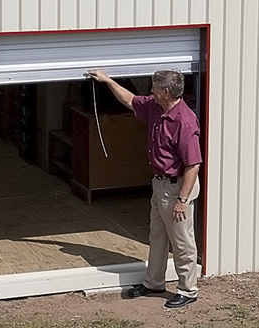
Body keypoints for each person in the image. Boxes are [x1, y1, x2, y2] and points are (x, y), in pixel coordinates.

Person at [87, 68, 202, 309]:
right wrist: (107, 80)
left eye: (155, 88)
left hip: (177, 187)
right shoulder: (155, 106)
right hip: (160, 185)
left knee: (181, 241)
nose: (151, 91)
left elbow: (193, 165)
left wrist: (182, 199)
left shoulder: (184, 121)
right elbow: (129, 99)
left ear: (166, 91)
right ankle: (153, 283)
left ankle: (188, 289)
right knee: (157, 236)